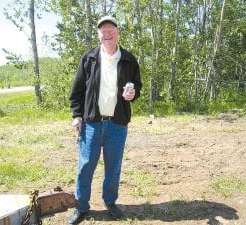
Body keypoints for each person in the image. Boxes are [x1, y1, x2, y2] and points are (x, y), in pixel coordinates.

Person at [68, 15, 142, 224]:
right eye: (103, 31)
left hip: (117, 124)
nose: (107, 34)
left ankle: (110, 202)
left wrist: (133, 93)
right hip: (91, 123)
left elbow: (137, 85)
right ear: (99, 34)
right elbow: (77, 91)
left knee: (113, 166)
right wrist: (76, 115)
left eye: (111, 30)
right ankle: (81, 207)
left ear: (118, 33)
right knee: (85, 166)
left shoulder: (128, 59)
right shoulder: (89, 58)